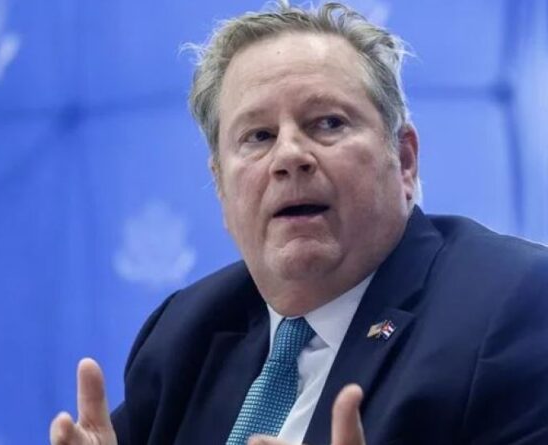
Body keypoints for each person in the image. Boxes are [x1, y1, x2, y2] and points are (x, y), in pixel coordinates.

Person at [50, 2, 548, 444]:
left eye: (327, 123)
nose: (289, 156)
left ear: (404, 160)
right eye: (259, 136)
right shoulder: (185, 333)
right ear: (221, 186)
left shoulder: (516, 302)